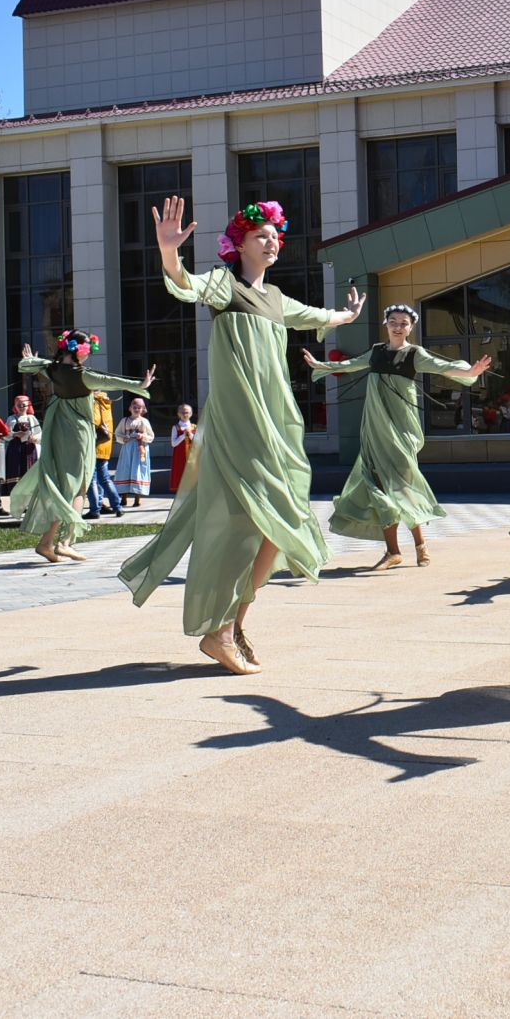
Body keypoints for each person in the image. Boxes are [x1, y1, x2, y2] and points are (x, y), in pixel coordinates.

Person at [121, 197, 363, 674]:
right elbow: (184, 285)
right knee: (245, 524)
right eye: (261, 236)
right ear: (240, 243)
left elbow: (314, 315)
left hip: (275, 422)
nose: (271, 242)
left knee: (280, 523)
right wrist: (169, 252)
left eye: (275, 236)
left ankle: (227, 628)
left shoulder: (276, 298)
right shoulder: (223, 284)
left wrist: (346, 318)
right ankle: (222, 630)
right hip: (239, 420)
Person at [304, 304, 491, 569]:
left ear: (411, 327)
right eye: (393, 321)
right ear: (386, 324)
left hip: (401, 430)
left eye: (403, 323)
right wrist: (320, 365)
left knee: (403, 486)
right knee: (378, 488)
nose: (397, 326)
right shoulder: (377, 351)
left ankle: (420, 545)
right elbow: (349, 364)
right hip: (374, 430)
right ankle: (393, 551)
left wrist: (469, 373)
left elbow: (443, 366)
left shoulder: (415, 354)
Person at [9, 331, 152, 562]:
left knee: (66, 485)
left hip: (57, 431)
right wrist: (140, 384)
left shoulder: (52, 369)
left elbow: (34, 364)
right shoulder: (83, 375)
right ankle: (64, 542)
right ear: (79, 351)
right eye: (88, 351)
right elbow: (111, 381)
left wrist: (29, 360)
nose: (88, 355)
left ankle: (47, 542)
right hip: (78, 432)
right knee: (79, 486)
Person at [85, 389, 123, 519]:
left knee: (91, 480)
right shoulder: (106, 400)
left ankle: (95, 510)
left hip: (95, 446)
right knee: (105, 479)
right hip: (105, 446)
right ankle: (117, 507)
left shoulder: (95, 401)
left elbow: (95, 420)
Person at [113, 396, 155, 506]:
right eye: (135, 407)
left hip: (139, 449)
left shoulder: (145, 421)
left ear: (143, 409)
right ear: (130, 408)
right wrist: (124, 438)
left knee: (137, 471)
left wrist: (142, 436)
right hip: (127, 449)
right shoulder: (124, 420)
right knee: (125, 470)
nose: (137, 409)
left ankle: (137, 499)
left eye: (139, 407)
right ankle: (124, 498)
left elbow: (151, 436)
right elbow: (118, 433)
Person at [3, 393, 40, 494]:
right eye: (18, 404)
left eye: (23, 404)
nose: (21, 407)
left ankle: (29, 500)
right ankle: (17, 496)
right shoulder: (11, 419)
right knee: (16, 472)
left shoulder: (32, 418)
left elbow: (39, 433)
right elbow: (5, 435)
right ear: (15, 406)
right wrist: (15, 434)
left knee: (29, 472)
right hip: (15, 450)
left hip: (29, 450)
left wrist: (35, 438)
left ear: (28, 406)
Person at [168, 403, 196, 493]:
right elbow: (173, 443)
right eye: (182, 412)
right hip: (180, 455)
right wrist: (183, 436)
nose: (185, 414)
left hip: (192, 454)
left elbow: (198, 441)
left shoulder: (194, 427)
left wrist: (190, 434)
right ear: (178, 414)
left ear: (191, 414)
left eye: (187, 412)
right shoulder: (176, 427)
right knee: (180, 471)